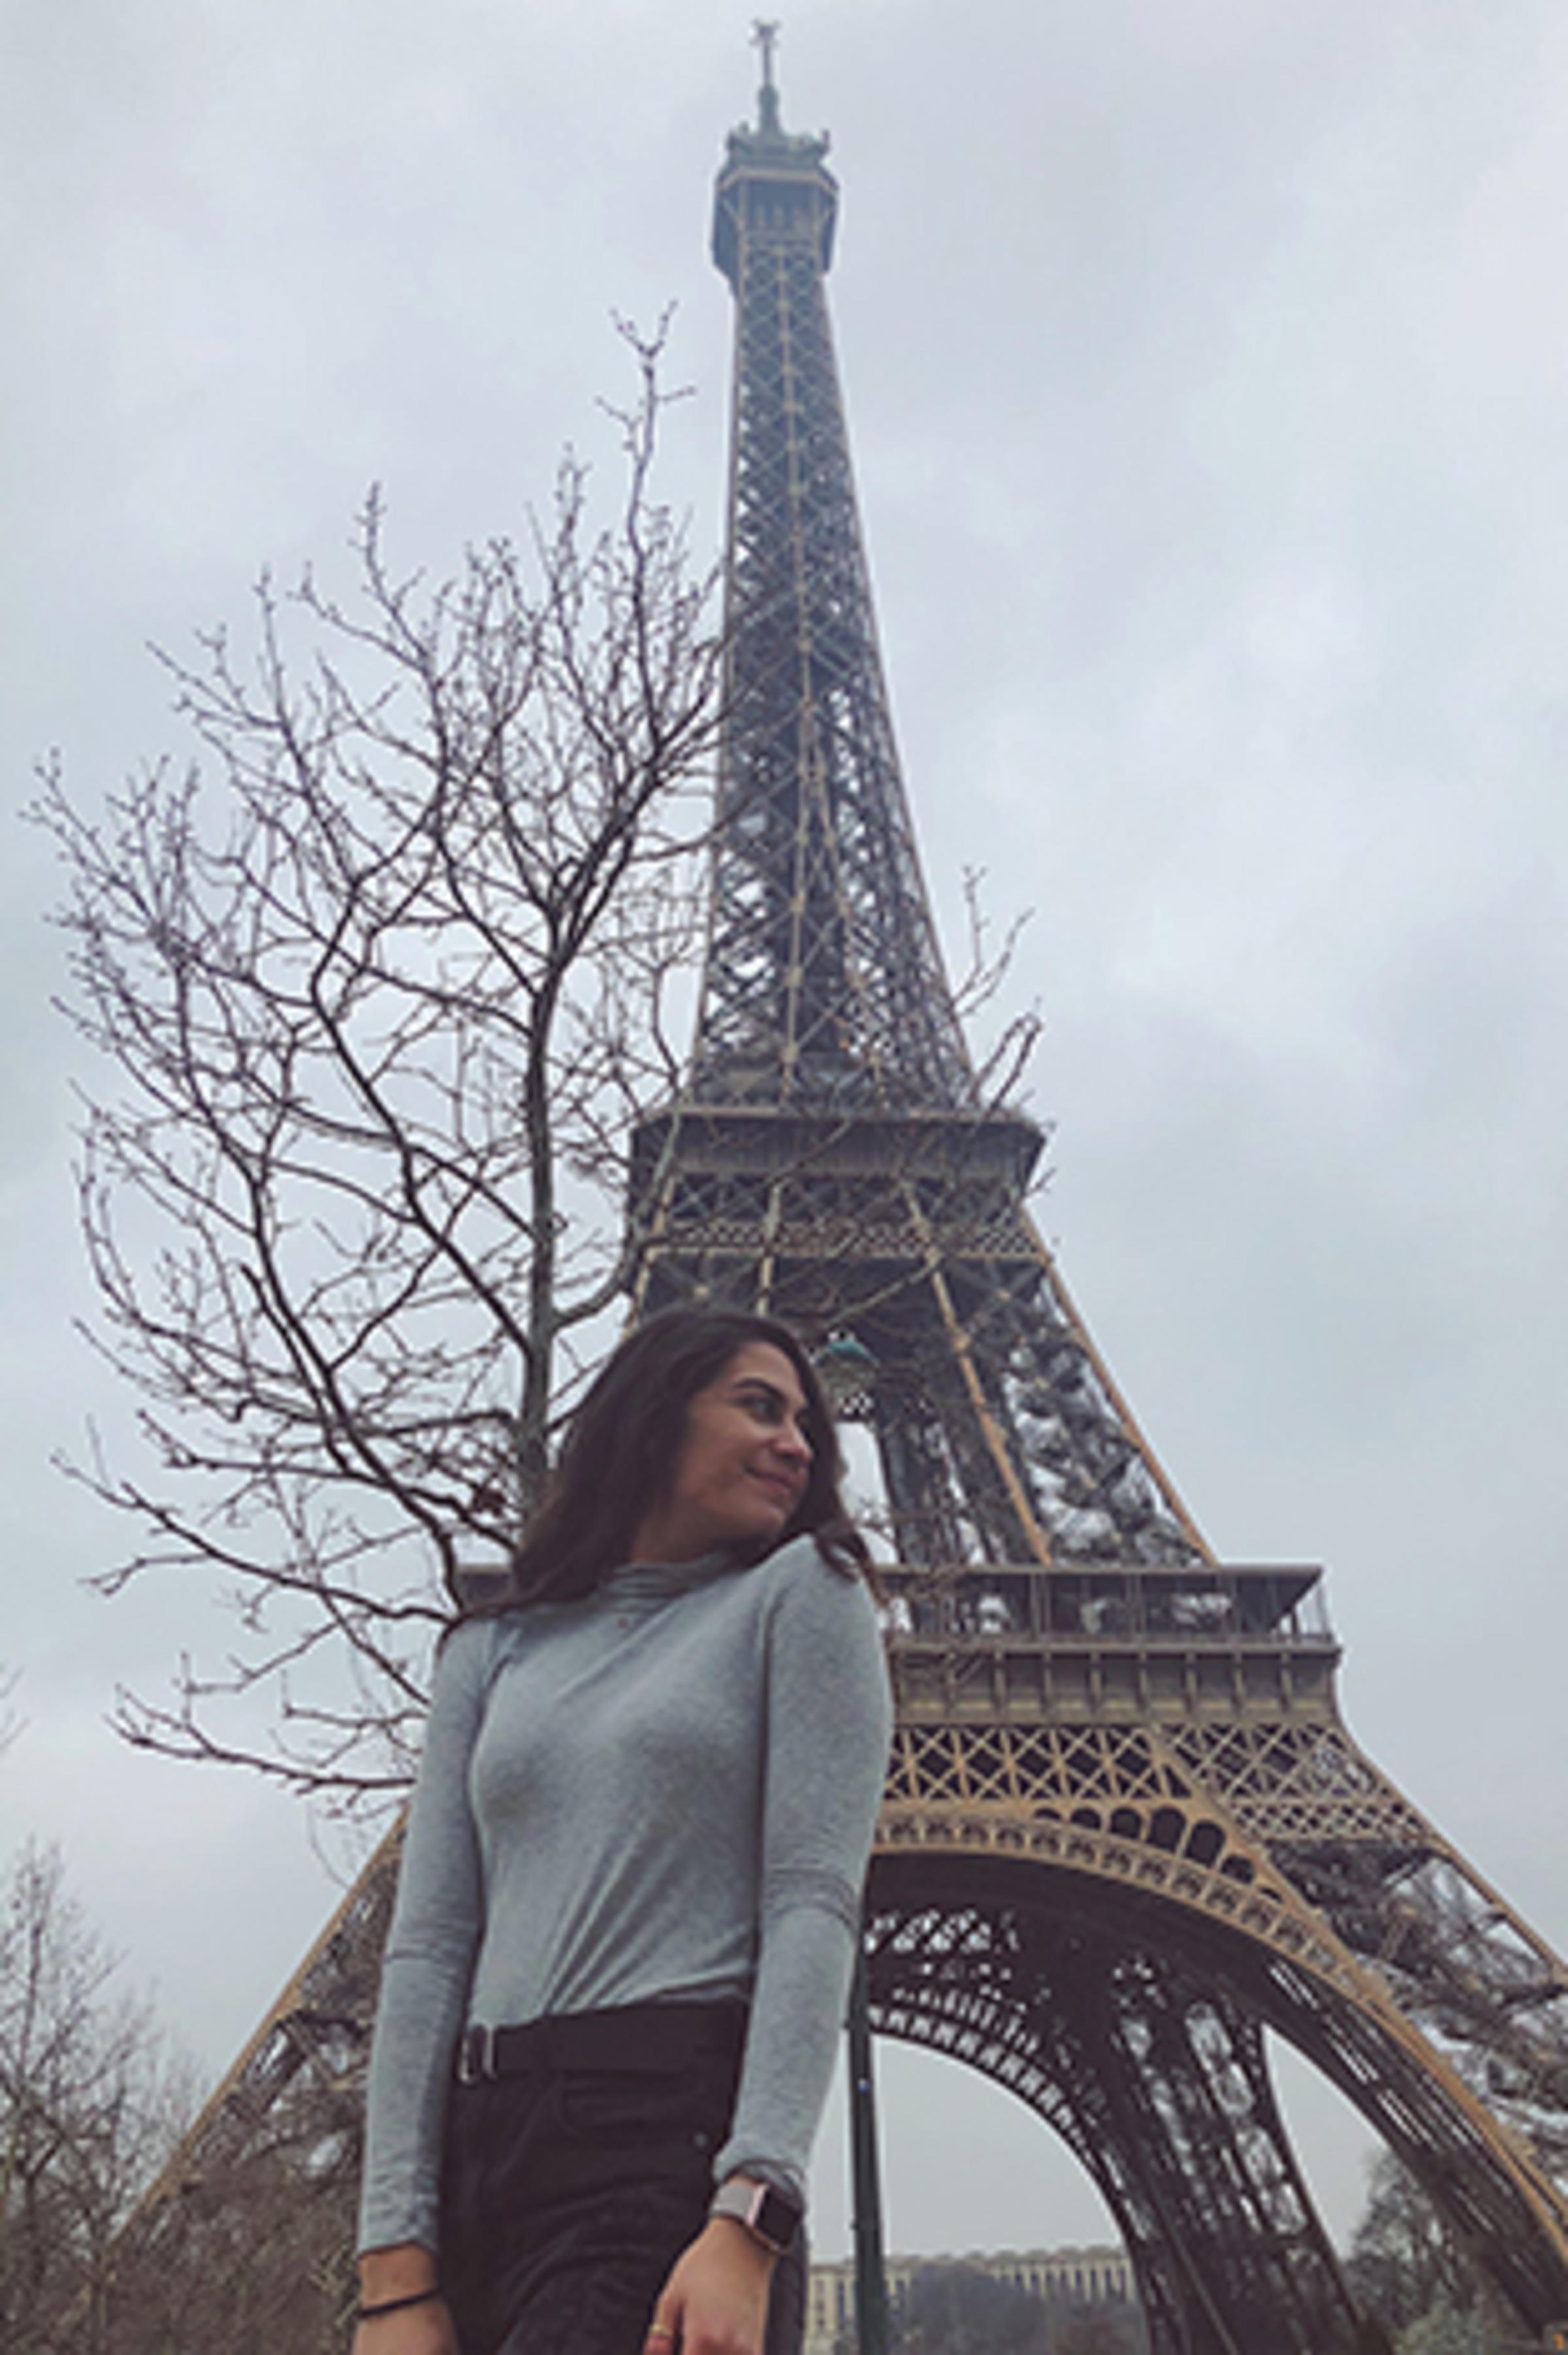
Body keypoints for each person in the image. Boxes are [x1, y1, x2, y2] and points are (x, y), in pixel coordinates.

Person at [352, 1306, 893, 2355]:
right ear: (654, 1414)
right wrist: (392, 2272)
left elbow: (811, 1903)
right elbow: (426, 1949)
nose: (797, 1443)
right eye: (759, 1407)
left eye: (806, 1423)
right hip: (476, 2162)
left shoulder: (801, 1594)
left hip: (655, 2150)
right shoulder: (493, 1647)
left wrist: (750, 2217)